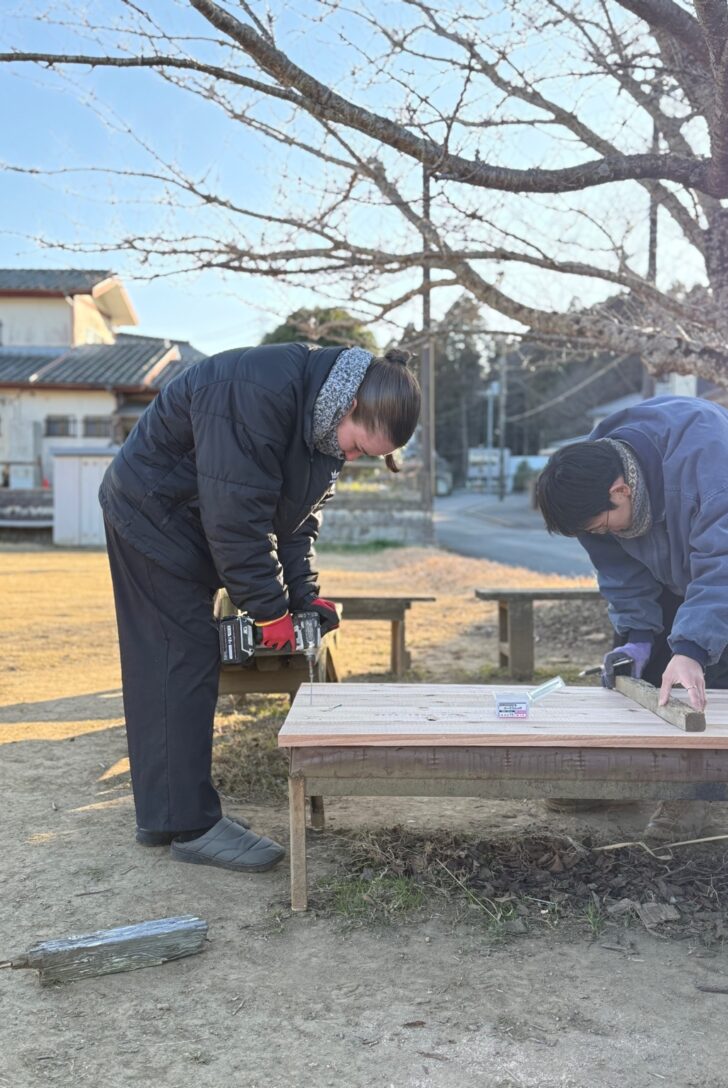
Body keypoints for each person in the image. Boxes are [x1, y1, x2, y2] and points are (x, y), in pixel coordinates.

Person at [100, 342, 421, 872]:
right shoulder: (256, 390)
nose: (352, 458)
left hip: (190, 523)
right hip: (152, 513)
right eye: (359, 447)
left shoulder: (323, 428)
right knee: (178, 658)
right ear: (349, 407)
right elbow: (236, 520)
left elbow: (295, 523)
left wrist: (304, 597)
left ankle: (165, 815)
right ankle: (191, 826)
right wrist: (270, 613)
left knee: (172, 661)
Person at [536, 395, 728, 842]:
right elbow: (618, 569)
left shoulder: (711, 463)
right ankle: (623, 777)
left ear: (621, 490)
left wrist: (692, 650)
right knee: (637, 675)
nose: (601, 534)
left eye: (604, 524)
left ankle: (693, 791)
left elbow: (721, 569)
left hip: (720, 565)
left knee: (705, 676)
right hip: (679, 570)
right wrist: (638, 635)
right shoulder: (590, 479)